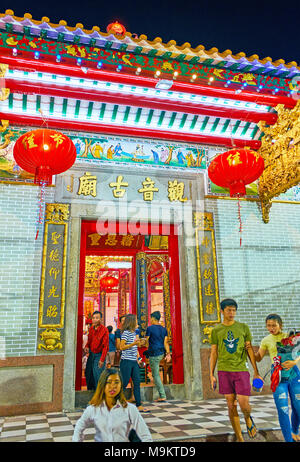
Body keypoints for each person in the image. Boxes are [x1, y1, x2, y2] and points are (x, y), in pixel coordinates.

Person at [209, 299, 263, 442]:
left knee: (244, 404)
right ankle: (239, 437)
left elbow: (249, 349)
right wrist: (211, 374)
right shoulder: (216, 330)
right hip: (224, 371)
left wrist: (256, 372)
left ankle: (247, 417)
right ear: (222, 311)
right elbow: (214, 353)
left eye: (234, 310)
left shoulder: (243, 327)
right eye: (228, 310)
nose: (232, 313)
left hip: (241, 369)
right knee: (231, 405)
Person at [252, 314, 300, 442]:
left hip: (293, 373)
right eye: (268, 325)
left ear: (280, 325)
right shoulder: (266, 340)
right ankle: (288, 440)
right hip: (277, 375)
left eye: (274, 325)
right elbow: (258, 358)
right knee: (283, 409)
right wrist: (250, 351)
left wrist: (295, 362)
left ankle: (294, 430)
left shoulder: (289, 336)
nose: (271, 328)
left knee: (298, 406)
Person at [72, 368, 152, 442]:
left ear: (121, 385)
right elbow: (79, 426)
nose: (113, 386)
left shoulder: (130, 409)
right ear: (102, 385)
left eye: (117, 382)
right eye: (109, 382)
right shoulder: (93, 408)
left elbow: (145, 435)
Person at [119, 314, 150, 413]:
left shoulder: (133, 333)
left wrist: (139, 357)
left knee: (137, 382)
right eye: (136, 320)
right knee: (124, 383)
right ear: (132, 321)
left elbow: (135, 348)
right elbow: (121, 347)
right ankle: (117, 403)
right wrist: (134, 343)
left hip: (134, 361)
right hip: (126, 361)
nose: (137, 322)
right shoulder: (126, 333)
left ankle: (139, 404)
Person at [145, 311, 171, 402]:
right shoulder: (164, 329)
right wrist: (168, 354)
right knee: (155, 374)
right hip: (161, 353)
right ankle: (162, 394)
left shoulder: (150, 328)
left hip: (153, 353)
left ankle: (162, 395)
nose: (150, 320)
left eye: (150, 318)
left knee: (155, 375)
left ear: (153, 318)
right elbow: (165, 342)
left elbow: (146, 341)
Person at [84, 311, 109, 390]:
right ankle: (91, 394)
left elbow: (105, 346)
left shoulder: (104, 330)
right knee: (89, 374)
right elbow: (89, 341)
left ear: (101, 319)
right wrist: (87, 346)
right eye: (93, 318)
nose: (94, 320)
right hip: (91, 355)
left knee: (97, 375)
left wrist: (102, 360)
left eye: (97, 318)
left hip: (99, 355)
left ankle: (100, 397)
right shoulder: (91, 329)